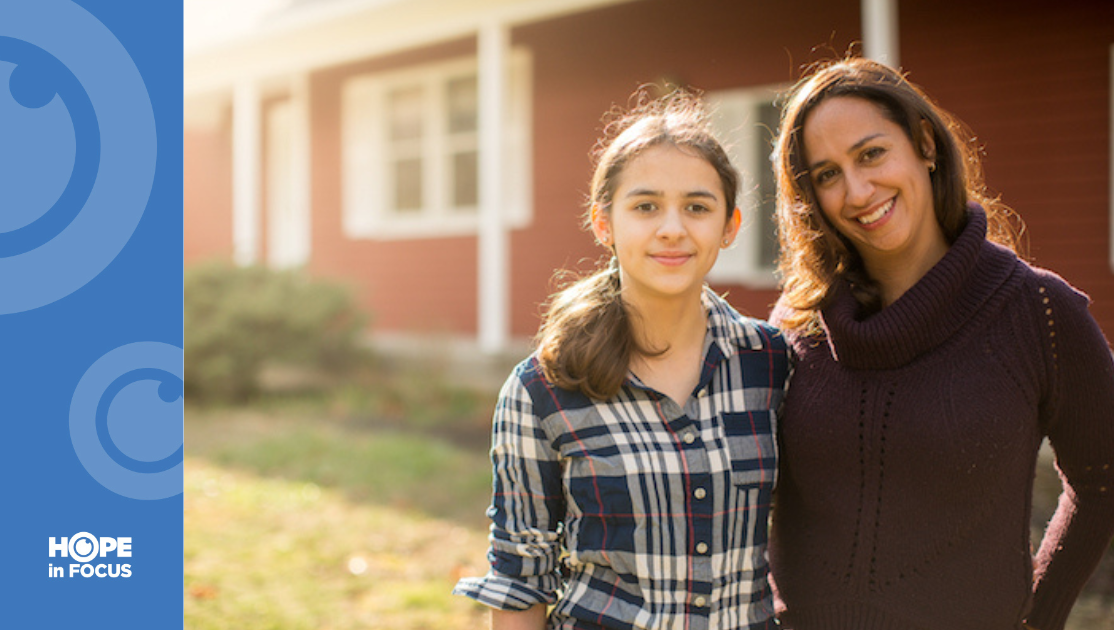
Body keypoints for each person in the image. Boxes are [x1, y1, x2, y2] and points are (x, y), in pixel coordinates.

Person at [768, 56, 1114, 630]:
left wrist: (1037, 618)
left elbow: (1104, 479)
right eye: (827, 175)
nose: (857, 191)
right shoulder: (796, 323)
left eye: (871, 153)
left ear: (925, 145)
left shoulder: (1038, 312)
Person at [453, 90, 791, 630]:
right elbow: (520, 582)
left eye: (697, 207)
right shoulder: (543, 387)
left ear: (729, 226)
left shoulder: (771, 364)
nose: (672, 229)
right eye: (645, 206)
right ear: (604, 223)